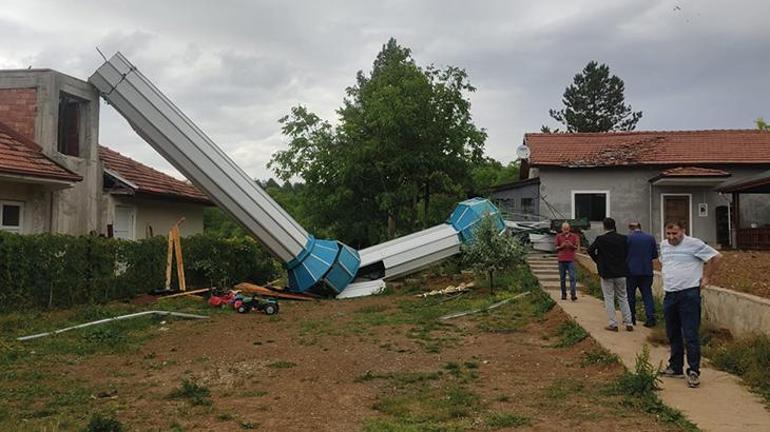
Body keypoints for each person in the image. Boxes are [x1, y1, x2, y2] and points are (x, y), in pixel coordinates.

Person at [659, 221, 721, 389]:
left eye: (675, 234)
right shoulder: (664, 245)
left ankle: (693, 370)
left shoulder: (694, 244)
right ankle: (675, 366)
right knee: (672, 332)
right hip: (670, 294)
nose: (671, 237)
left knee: (690, 334)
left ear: (683, 231)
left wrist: (707, 277)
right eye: (669, 234)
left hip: (689, 295)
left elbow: (716, 257)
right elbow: (665, 262)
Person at [587, 217, 634, 332]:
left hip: (607, 272)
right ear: (614, 225)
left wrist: (598, 260)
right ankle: (629, 322)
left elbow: (590, 250)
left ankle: (613, 324)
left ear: (604, 226)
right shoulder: (623, 238)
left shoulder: (601, 239)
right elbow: (628, 252)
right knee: (623, 297)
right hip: (621, 271)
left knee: (609, 298)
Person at [626, 222, 659, 327]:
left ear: (631, 229)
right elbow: (654, 255)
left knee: (630, 295)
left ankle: (631, 318)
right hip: (646, 271)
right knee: (647, 294)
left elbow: (624, 254)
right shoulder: (650, 238)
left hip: (631, 271)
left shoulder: (628, 238)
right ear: (640, 227)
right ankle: (650, 318)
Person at [554, 222, 579, 301]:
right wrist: (562, 246)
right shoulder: (558, 236)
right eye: (564, 229)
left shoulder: (574, 236)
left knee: (572, 277)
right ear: (562, 229)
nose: (566, 230)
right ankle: (564, 294)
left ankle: (573, 294)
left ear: (569, 228)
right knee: (562, 278)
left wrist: (571, 245)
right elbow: (556, 248)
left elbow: (576, 247)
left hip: (570, 259)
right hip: (561, 260)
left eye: (567, 229)